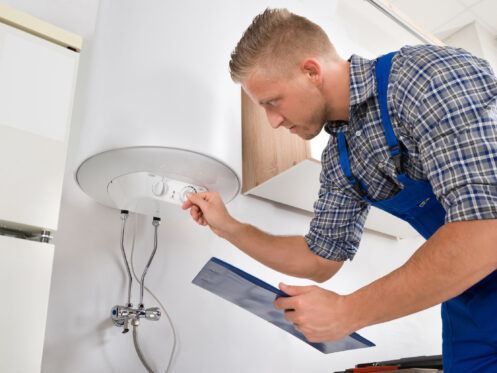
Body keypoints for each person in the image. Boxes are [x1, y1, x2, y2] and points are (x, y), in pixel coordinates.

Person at [182, 8, 497, 372]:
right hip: (469, 305)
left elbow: (485, 230)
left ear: (311, 72)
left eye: (272, 102)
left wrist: (348, 311)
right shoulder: (341, 159)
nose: (272, 121)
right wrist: (230, 228)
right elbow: (319, 260)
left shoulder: (424, 78)